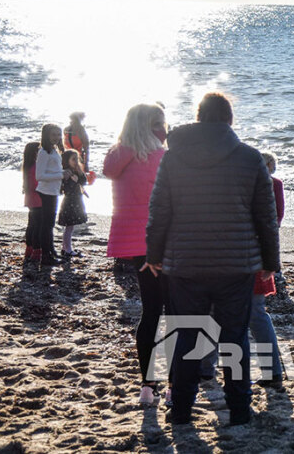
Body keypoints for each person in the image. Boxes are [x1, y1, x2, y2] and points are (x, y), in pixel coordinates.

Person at [146, 92, 279, 426]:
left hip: (185, 263)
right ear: (229, 120)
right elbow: (265, 215)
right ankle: (238, 410)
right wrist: (269, 261)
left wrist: (154, 254)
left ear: (199, 117)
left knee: (187, 336)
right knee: (234, 338)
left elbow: (159, 210)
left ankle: (180, 411)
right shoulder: (249, 158)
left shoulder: (173, 158)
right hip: (236, 265)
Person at [103, 103, 168, 406]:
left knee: (151, 311)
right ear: (156, 126)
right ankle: (175, 384)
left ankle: (147, 386)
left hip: (133, 245)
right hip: (163, 242)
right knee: (178, 312)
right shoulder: (161, 157)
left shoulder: (117, 156)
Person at [35, 124, 64, 266]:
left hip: (53, 190)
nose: (57, 137)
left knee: (49, 223)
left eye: (59, 134)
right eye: (54, 134)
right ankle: (45, 256)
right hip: (46, 191)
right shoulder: (44, 152)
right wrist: (61, 175)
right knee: (47, 224)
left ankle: (51, 250)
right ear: (46, 135)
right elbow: (39, 175)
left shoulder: (54, 150)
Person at [58, 150, 87, 259]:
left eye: (77, 159)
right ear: (67, 161)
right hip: (69, 202)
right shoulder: (66, 173)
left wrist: (78, 177)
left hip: (76, 201)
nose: (76, 162)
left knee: (70, 226)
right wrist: (72, 181)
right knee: (69, 226)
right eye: (73, 159)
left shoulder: (76, 172)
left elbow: (84, 181)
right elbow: (66, 189)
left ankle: (65, 248)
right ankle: (67, 249)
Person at [22, 142, 42, 262]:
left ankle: (29, 249)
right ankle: (36, 250)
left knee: (31, 225)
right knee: (37, 227)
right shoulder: (35, 167)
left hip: (30, 199)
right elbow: (36, 184)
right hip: (38, 199)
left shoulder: (27, 166)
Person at [262, 152, 285, 227]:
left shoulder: (251, 180)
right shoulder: (276, 183)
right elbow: (280, 208)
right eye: (273, 163)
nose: (275, 166)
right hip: (270, 220)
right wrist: (277, 222)